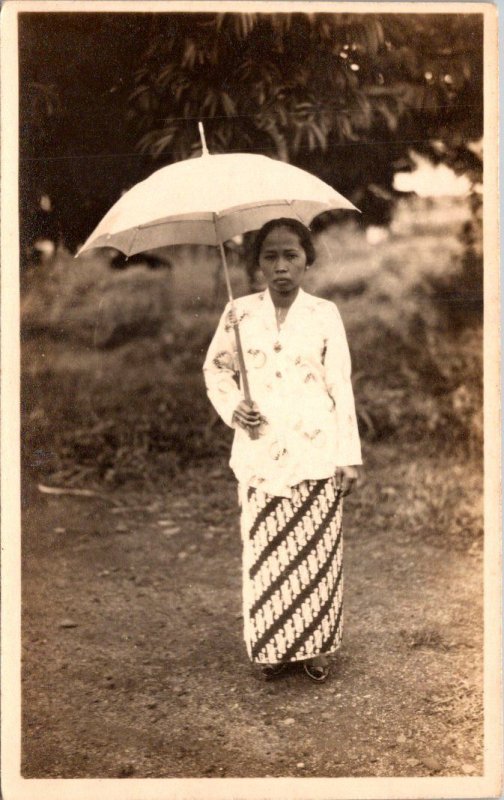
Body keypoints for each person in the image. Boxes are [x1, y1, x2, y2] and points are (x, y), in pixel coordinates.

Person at [203, 218, 362, 683]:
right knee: (267, 554)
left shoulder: (324, 314)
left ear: (307, 260)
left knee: (315, 554)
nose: (281, 267)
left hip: (315, 452)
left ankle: (315, 648)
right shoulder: (238, 313)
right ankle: (273, 646)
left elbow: (341, 387)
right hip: (260, 453)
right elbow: (215, 370)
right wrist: (236, 407)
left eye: (291, 255)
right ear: (257, 264)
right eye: (270, 256)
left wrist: (347, 455)